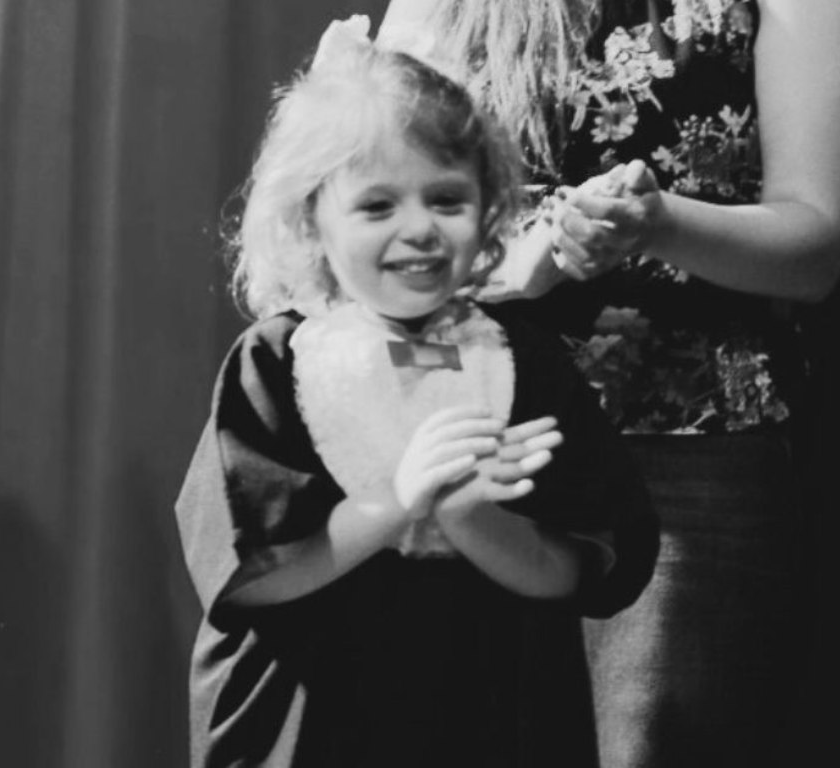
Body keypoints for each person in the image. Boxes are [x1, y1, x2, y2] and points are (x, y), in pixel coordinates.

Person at [377, 1, 840, 766]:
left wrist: (659, 223)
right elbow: (379, 210)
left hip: (687, 459)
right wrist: (503, 257)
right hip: (466, 440)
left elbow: (815, 250)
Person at [175, 18, 657, 767]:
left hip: (491, 719)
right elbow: (251, 575)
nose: (420, 228)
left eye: (446, 198)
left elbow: (579, 568)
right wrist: (398, 500)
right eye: (377, 205)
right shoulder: (278, 362)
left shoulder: (522, 362)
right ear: (312, 218)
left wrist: (473, 517)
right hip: (316, 725)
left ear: (489, 206)